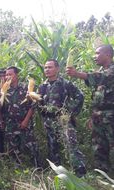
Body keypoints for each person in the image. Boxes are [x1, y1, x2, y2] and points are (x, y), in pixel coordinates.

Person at [66, 44, 114, 173]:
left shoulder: (111, 71)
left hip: (111, 116)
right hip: (99, 116)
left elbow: (100, 77)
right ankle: (103, 174)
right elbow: (98, 97)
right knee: (99, 147)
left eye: (98, 53)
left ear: (108, 55)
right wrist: (93, 116)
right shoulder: (102, 71)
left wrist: (76, 73)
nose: (95, 56)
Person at [38, 59, 86, 177]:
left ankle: (80, 174)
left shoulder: (65, 84)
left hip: (63, 121)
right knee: (52, 147)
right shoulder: (43, 86)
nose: (47, 70)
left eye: (50, 67)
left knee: (71, 147)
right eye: (45, 67)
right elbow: (39, 103)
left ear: (57, 69)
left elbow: (79, 96)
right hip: (49, 121)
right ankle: (57, 173)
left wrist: (68, 111)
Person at [0, 66, 40, 167]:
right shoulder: (4, 90)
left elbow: (33, 106)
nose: (7, 76)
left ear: (16, 75)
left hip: (25, 122)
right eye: (6, 74)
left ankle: (37, 167)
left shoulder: (26, 88)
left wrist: (26, 120)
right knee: (12, 148)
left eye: (10, 74)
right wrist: (0, 97)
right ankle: (17, 168)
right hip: (10, 123)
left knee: (31, 145)